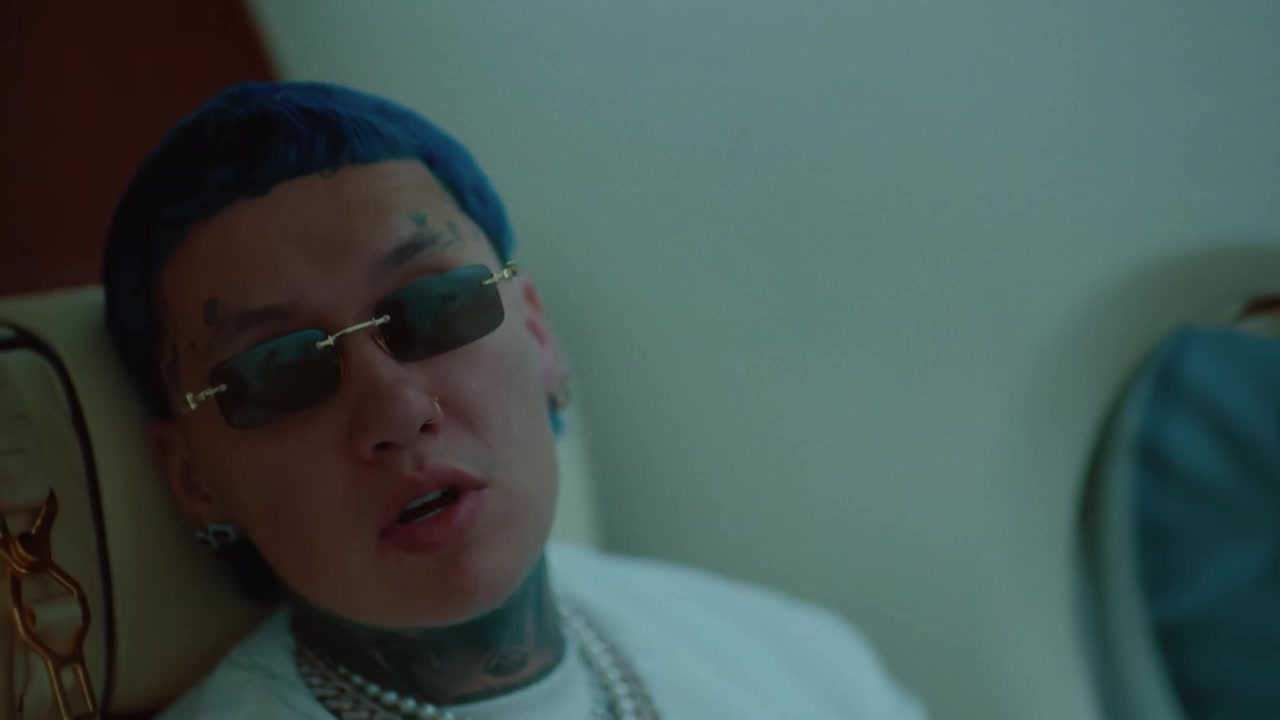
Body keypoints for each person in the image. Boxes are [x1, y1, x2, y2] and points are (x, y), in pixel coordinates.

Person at [101, 81, 927, 719]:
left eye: (436, 308)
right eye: (277, 370)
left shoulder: (793, 656)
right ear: (195, 480)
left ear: (538, 339)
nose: (397, 410)